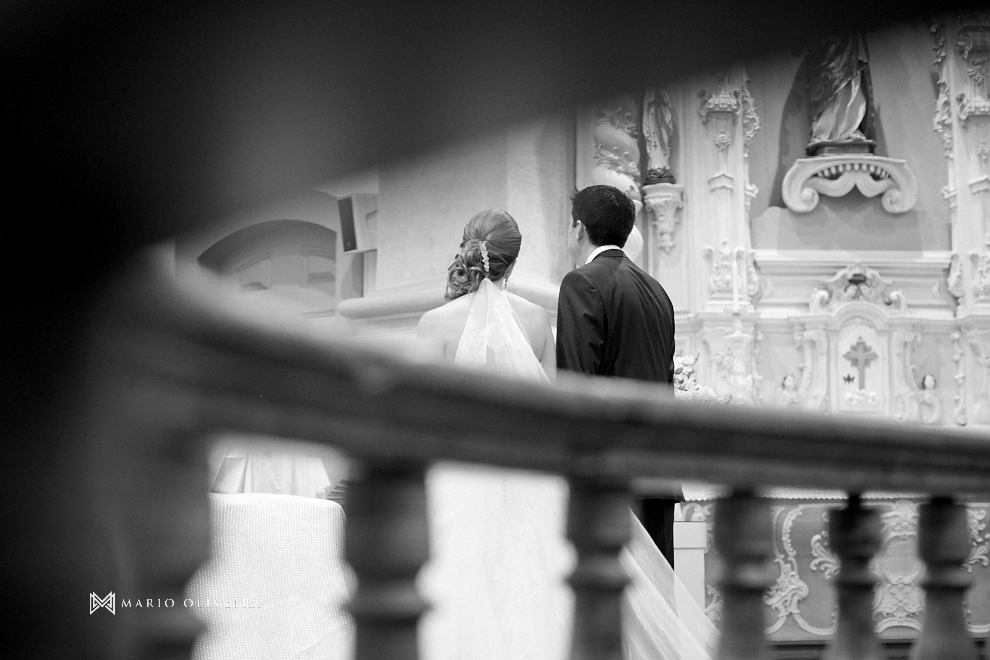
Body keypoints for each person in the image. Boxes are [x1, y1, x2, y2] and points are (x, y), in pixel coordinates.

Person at [416, 208, 715, 660]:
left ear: (465, 252)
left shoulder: (434, 325)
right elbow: (556, 405)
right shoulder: (537, 321)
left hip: (460, 474)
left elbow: (422, 414)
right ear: (513, 263)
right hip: (528, 478)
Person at [555, 184, 681, 569]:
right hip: (658, 471)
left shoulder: (582, 281)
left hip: (611, 476)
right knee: (657, 610)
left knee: (611, 597)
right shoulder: (657, 290)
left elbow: (575, 382)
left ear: (578, 228)